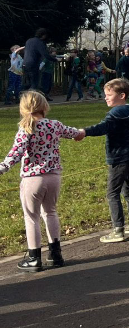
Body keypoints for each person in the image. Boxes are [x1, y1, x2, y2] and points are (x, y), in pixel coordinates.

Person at [0, 91, 80, 271]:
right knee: (50, 212)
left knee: (32, 217)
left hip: (32, 179)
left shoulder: (26, 128)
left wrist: (3, 167)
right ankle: (55, 254)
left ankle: (34, 257)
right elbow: (74, 133)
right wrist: (82, 132)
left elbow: (16, 152)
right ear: (45, 107)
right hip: (54, 177)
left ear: (23, 109)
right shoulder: (55, 125)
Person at [78, 77, 129, 243]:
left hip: (119, 158)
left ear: (121, 96)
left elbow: (103, 127)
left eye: (109, 94)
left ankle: (118, 229)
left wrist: (84, 131)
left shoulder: (115, 114)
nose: (105, 97)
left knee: (112, 193)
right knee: (127, 189)